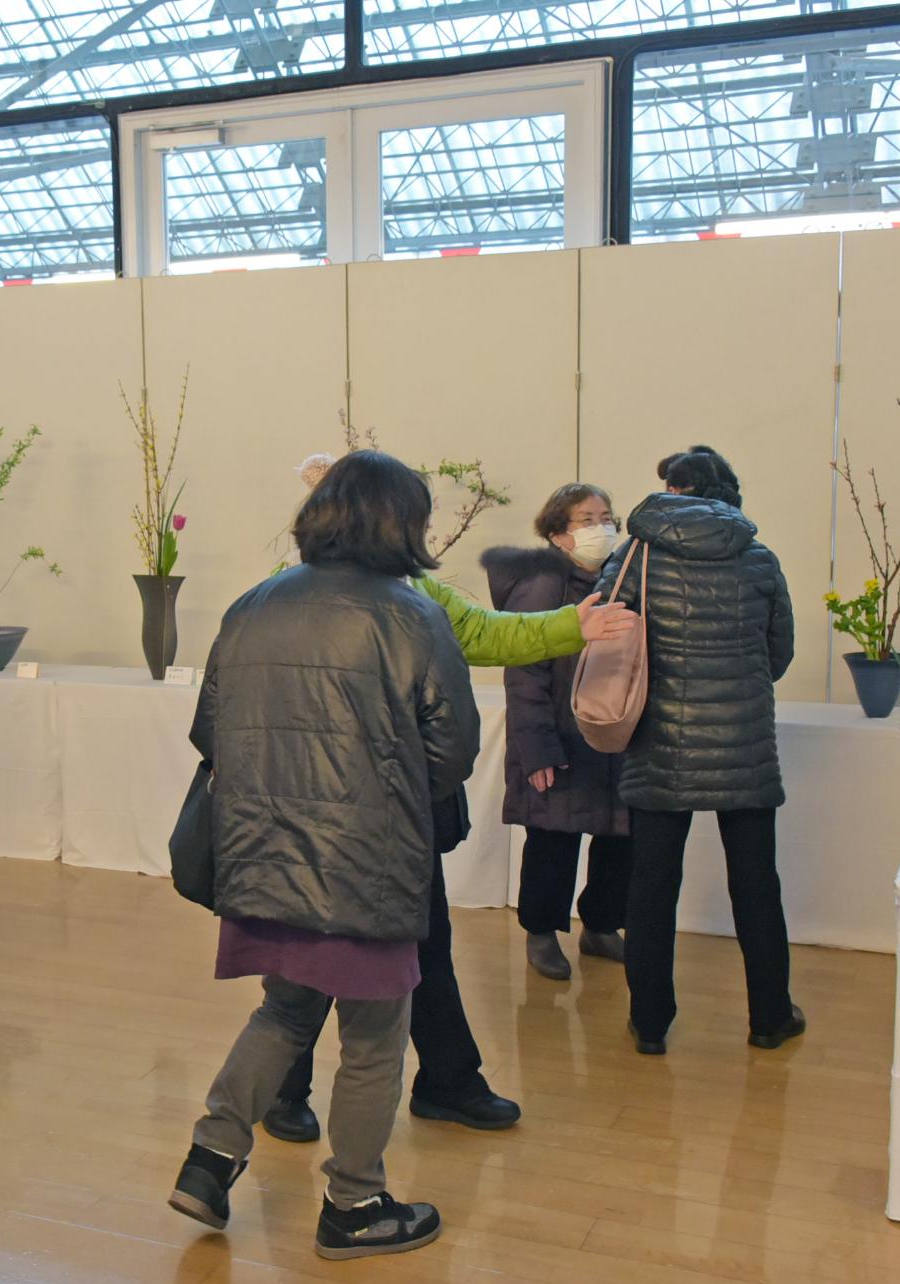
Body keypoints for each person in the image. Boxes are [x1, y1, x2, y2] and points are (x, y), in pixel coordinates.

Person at [169, 450, 477, 1260]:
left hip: (265, 852)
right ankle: (355, 1202)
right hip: (366, 862)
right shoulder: (414, 618)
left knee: (287, 1008)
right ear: (399, 523)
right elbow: (453, 751)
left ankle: (208, 1158)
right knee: (374, 1035)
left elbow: (210, 732)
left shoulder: (252, 605)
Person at [259, 504, 639, 1144]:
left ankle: (448, 1081)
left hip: (397, 810)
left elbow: (485, 633)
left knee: (427, 943)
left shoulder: (416, 589)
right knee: (312, 954)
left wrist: (571, 626)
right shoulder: (285, 596)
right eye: (410, 518)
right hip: (315, 808)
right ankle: (284, 1090)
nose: (418, 533)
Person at [600, 446, 801, 1055]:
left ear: (671, 490)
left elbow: (605, 636)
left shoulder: (635, 555)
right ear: (728, 493)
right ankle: (769, 1017)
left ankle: (651, 1023)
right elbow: (779, 656)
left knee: (653, 885)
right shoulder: (759, 559)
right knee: (757, 883)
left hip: (660, 742)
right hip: (744, 744)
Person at [482, 484, 633, 981]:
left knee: (618, 837)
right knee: (553, 839)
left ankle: (602, 926)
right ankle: (542, 932)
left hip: (611, 731)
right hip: (558, 736)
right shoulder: (541, 586)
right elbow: (523, 676)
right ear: (557, 534)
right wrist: (539, 751)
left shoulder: (621, 578)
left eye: (607, 517)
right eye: (586, 519)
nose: (601, 528)